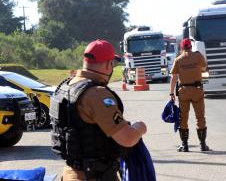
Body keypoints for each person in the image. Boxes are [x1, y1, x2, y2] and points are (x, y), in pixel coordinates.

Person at [49, 39, 147, 181]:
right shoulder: (97, 94)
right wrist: (140, 127)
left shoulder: (66, 86)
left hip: (71, 173)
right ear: (109, 64)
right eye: (112, 64)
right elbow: (128, 138)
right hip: (95, 175)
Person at [169, 38, 210, 152]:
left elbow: (174, 78)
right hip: (197, 90)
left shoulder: (178, 59)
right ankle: (202, 145)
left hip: (184, 91)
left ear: (182, 47)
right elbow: (204, 67)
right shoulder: (198, 56)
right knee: (200, 117)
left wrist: (171, 92)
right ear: (191, 46)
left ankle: (184, 145)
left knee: (183, 118)